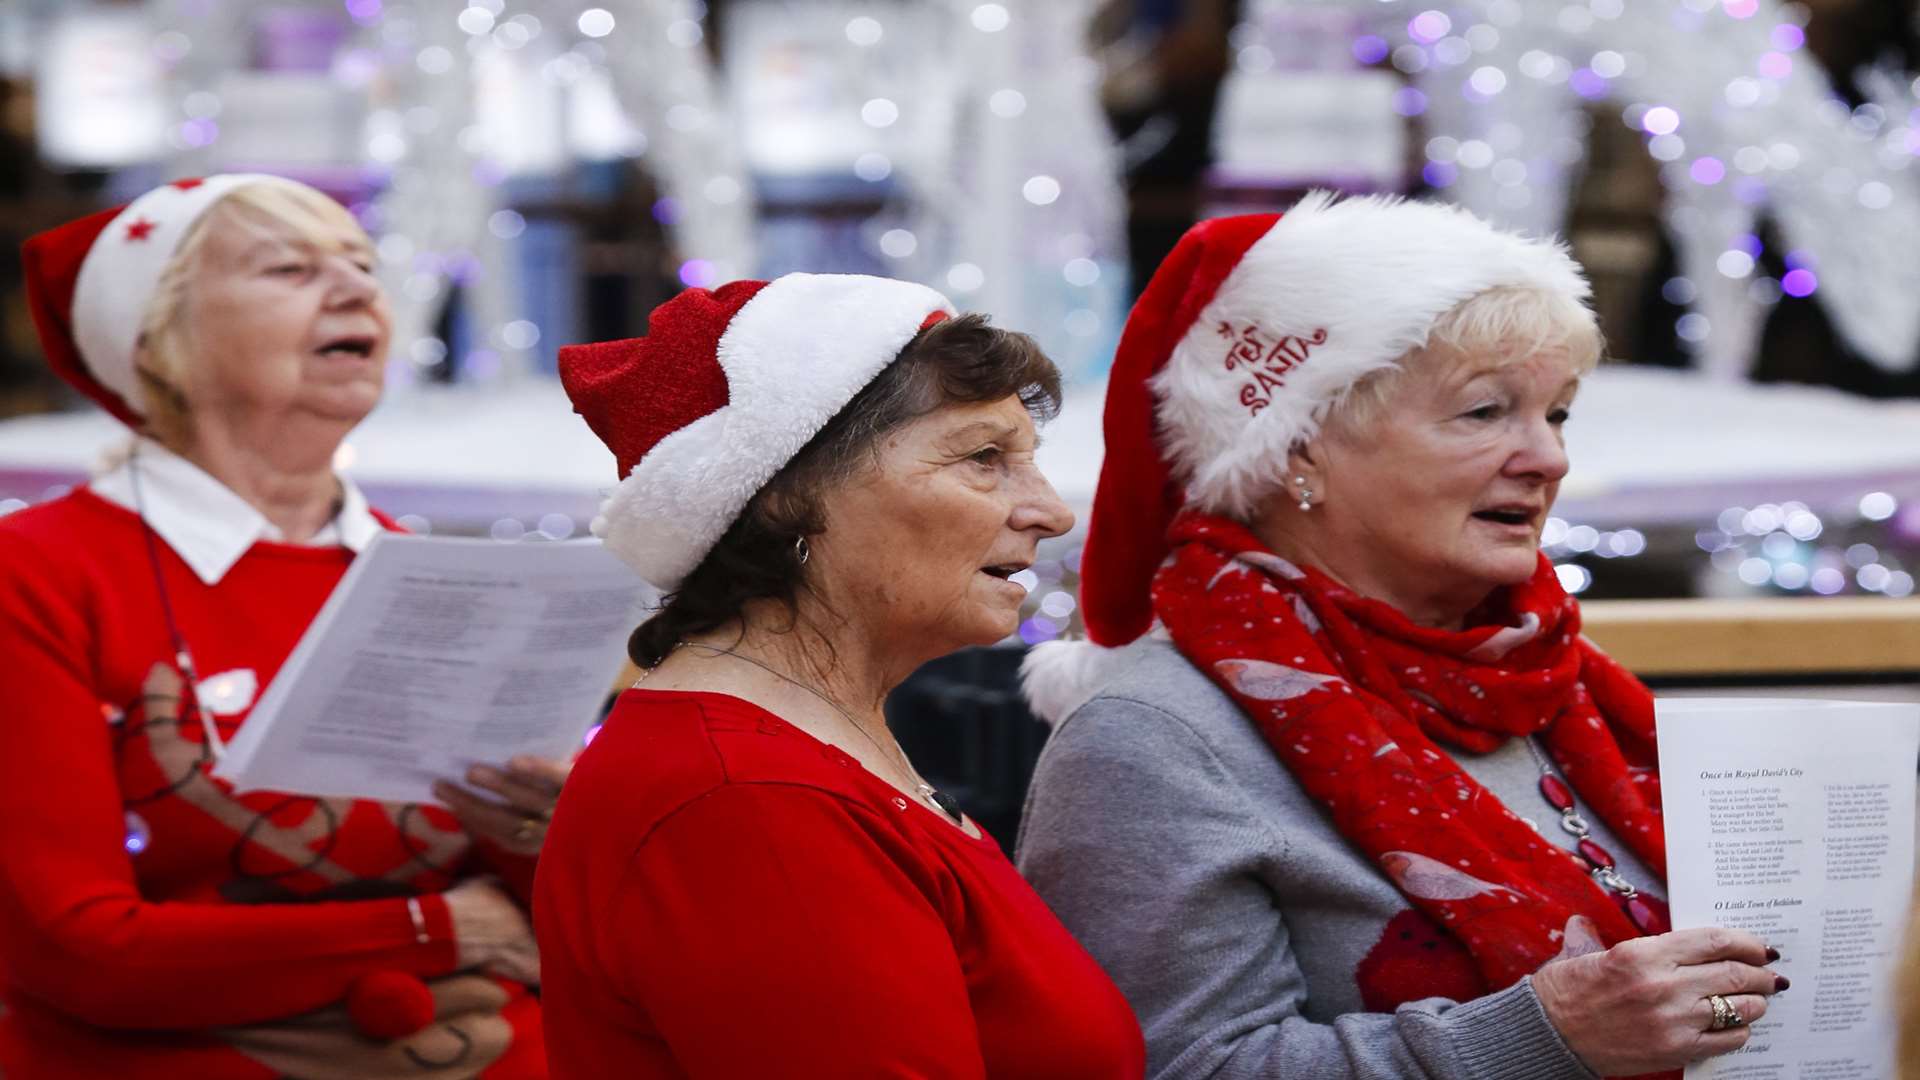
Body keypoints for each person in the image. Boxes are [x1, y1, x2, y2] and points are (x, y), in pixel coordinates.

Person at [1016, 192, 1787, 1080]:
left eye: (1557, 412)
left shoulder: (1547, 678)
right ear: (1298, 448)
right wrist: (1547, 1039)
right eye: (1485, 412)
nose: (1548, 457)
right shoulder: (1152, 739)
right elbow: (1174, 1069)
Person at [2, 174, 564, 1078]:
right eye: (289, 268)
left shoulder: (445, 577)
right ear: (153, 339)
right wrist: (431, 929)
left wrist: (544, 843)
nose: (353, 289)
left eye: (361, 264)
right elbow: (76, 951)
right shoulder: (36, 572)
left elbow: (546, 930)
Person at [533, 274, 1146, 1078]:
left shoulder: (806, 749)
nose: (1051, 512)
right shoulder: (749, 807)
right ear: (788, 494)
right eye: (984, 458)